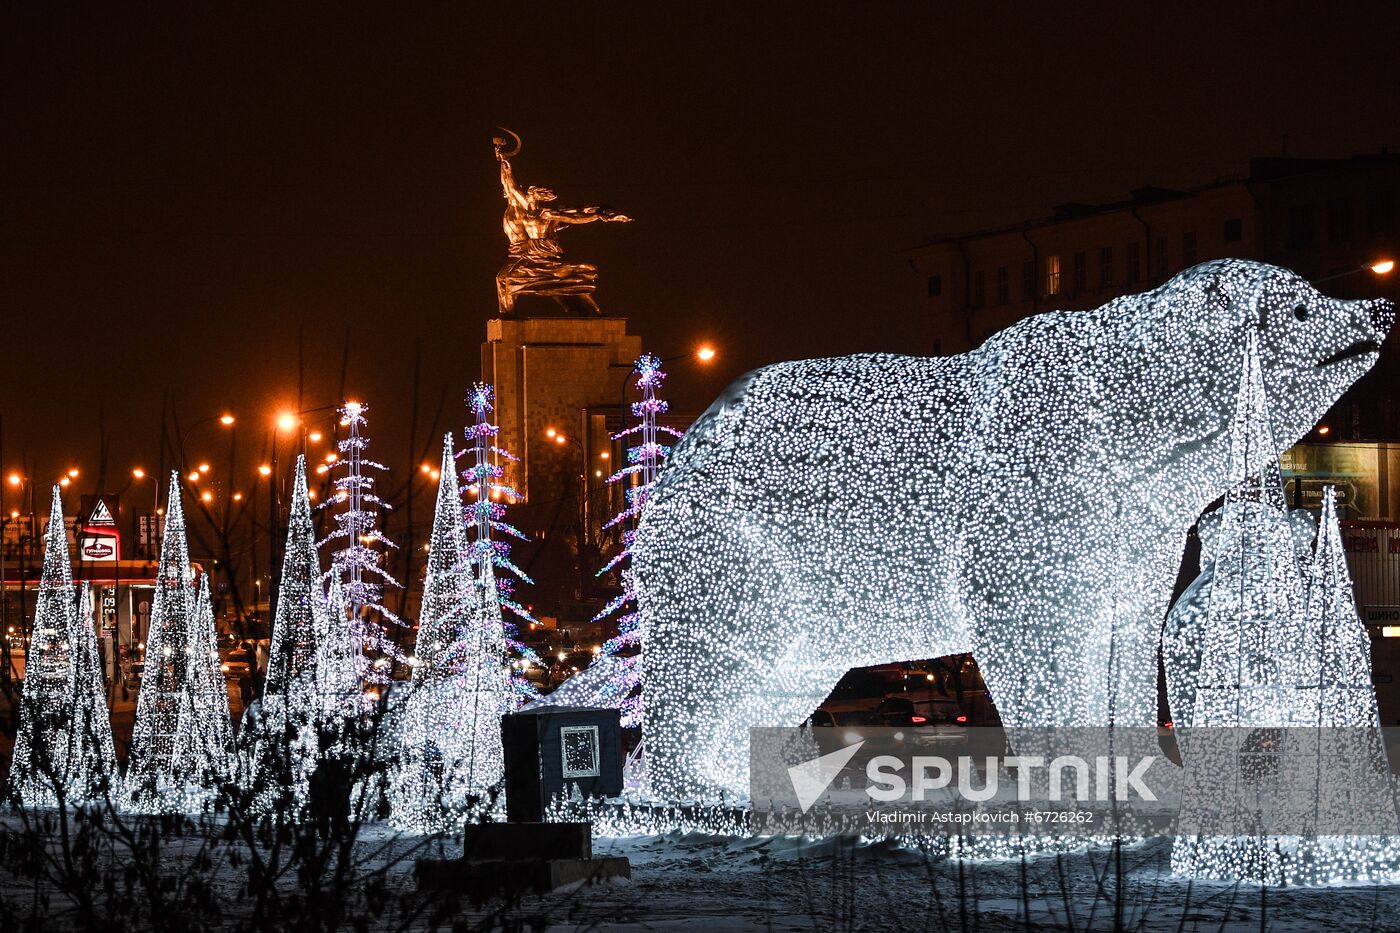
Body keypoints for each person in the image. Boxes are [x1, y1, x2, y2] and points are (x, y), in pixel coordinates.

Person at [493, 135, 631, 315]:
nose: (526, 193)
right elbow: (509, 186)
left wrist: (598, 215)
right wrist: (503, 161)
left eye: (530, 193)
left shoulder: (539, 211)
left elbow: (574, 217)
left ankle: (590, 310)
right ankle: (508, 316)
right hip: (527, 253)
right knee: (508, 279)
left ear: (533, 196)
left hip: (539, 253)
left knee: (556, 280)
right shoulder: (523, 208)